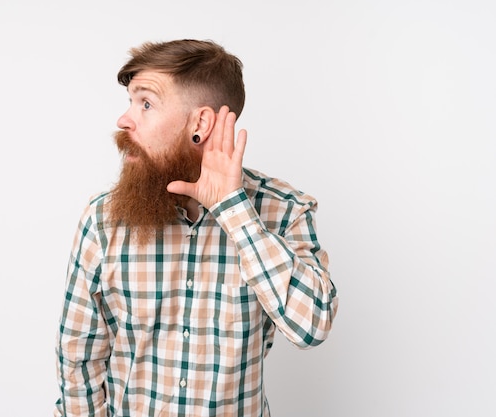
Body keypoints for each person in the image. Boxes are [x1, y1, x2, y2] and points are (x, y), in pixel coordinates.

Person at [54, 39, 338, 417]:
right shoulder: (103, 219)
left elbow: (312, 326)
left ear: (200, 124)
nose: (125, 119)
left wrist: (233, 211)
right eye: (129, 101)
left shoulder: (284, 210)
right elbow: (78, 359)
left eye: (146, 103)